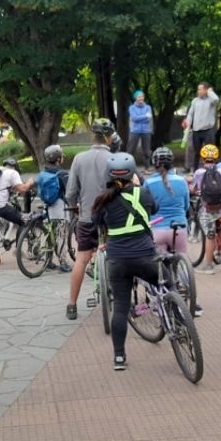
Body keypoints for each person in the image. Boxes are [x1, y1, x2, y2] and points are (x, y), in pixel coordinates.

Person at [93, 153, 159, 369]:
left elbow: (97, 224)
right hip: (145, 257)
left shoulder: (103, 199)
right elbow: (154, 209)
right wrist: (138, 188)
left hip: (117, 260)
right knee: (168, 284)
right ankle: (178, 319)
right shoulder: (143, 192)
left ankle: (119, 357)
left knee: (120, 307)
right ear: (133, 173)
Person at [65, 118, 114, 320]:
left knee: (82, 258)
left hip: (86, 217)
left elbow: (71, 192)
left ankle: (71, 304)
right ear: (109, 137)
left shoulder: (79, 159)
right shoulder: (115, 159)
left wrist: (76, 208)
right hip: (111, 217)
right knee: (117, 255)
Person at [144, 147, 190, 254]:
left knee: (160, 265)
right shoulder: (182, 181)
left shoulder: (148, 183)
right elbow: (186, 206)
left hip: (157, 229)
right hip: (179, 228)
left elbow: (145, 208)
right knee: (181, 262)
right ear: (172, 163)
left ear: (154, 163)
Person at [191, 144, 221, 275]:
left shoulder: (199, 173)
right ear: (217, 158)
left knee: (210, 236)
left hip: (206, 209)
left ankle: (208, 266)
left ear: (202, 158)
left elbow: (194, 189)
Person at [37, 144, 72, 272]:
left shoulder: (43, 172)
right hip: (59, 207)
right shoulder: (62, 173)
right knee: (61, 235)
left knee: (48, 233)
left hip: (47, 207)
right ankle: (63, 262)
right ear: (58, 158)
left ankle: (48, 261)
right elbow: (69, 192)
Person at [0, 157, 34, 230]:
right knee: (23, 220)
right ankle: (21, 239)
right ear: (15, 166)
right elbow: (23, 189)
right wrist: (30, 182)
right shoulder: (12, 172)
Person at [184, 82, 220, 170]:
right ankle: (195, 170)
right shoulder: (195, 101)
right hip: (196, 131)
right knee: (196, 152)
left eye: (200, 89)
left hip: (208, 130)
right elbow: (190, 114)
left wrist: (210, 92)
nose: (198, 91)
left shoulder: (211, 100)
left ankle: (212, 170)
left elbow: (216, 99)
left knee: (210, 151)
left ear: (205, 90)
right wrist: (188, 123)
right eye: (198, 89)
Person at [127, 90, 153, 169]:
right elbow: (134, 118)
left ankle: (147, 168)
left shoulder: (148, 107)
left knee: (147, 150)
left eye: (142, 96)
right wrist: (145, 116)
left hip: (146, 131)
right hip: (134, 130)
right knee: (131, 149)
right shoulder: (132, 107)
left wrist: (140, 118)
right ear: (135, 98)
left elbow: (149, 119)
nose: (141, 98)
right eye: (139, 97)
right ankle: (128, 167)